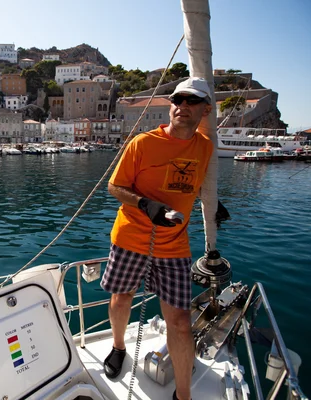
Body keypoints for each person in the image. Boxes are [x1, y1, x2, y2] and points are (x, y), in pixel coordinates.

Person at [100, 77, 215, 400]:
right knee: (122, 298)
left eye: (192, 101)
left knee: (179, 321)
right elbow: (114, 187)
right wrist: (144, 203)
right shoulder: (142, 143)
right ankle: (119, 347)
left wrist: (214, 205)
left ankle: (183, 395)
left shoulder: (205, 146)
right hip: (131, 237)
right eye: (178, 100)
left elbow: (197, 186)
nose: (182, 106)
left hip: (174, 244)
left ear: (205, 111)